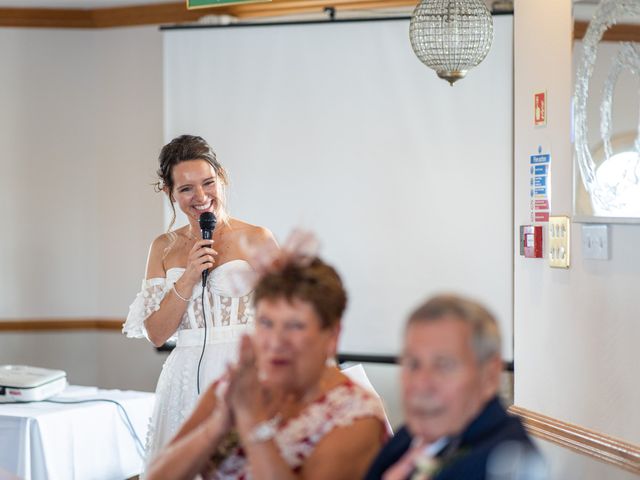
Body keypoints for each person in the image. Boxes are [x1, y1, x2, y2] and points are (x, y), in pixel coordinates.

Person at [146, 254, 390, 480]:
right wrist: (218, 424)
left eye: (295, 326)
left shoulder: (356, 415)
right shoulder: (236, 387)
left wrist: (253, 424)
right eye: (266, 323)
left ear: (332, 334)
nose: (275, 342)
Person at [122, 134, 276, 462]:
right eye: (186, 188)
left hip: (246, 372)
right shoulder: (162, 247)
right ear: (170, 193)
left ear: (222, 179)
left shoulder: (257, 237)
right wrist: (190, 275)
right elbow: (157, 333)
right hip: (185, 375)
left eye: (208, 183)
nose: (201, 196)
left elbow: (289, 313)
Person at [365, 294, 543, 480]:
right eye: (413, 364)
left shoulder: (507, 461)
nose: (421, 384)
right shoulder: (409, 437)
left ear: (489, 376)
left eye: (444, 365)